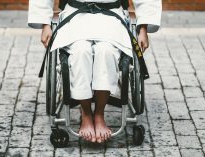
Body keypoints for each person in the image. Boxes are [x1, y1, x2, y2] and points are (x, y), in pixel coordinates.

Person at [28, 0, 161, 143]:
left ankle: (99, 113)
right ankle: (86, 113)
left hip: (111, 18)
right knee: (80, 52)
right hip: (75, 17)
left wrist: (143, 28)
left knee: (106, 52)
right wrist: (45, 24)